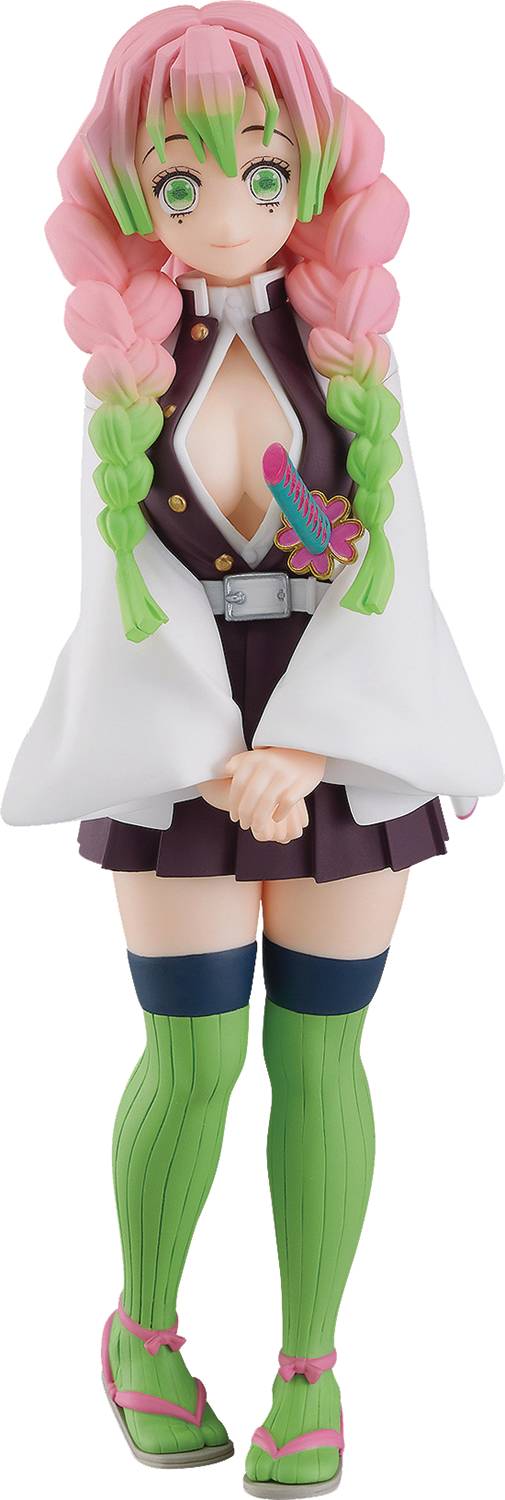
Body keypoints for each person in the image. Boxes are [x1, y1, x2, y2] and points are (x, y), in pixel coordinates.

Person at [2, 4, 502, 1493]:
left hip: (338, 732)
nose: (226, 212)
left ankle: (309, 1375)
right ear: (129, 194)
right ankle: (143, 1332)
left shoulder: (355, 360)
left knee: (323, 1051)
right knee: (197, 1051)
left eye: (262, 174)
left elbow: (390, 562)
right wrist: (216, 747)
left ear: (314, 177)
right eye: (182, 181)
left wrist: (314, 741)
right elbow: (118, 583)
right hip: (182, 741)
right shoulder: (125, 372)